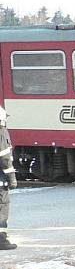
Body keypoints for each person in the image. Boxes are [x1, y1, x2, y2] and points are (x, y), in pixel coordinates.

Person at [0, 105, 18, 250]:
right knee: (2, 207)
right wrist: (12, 178)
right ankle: (2, 240)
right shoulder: (1, 133)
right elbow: (5, 157)